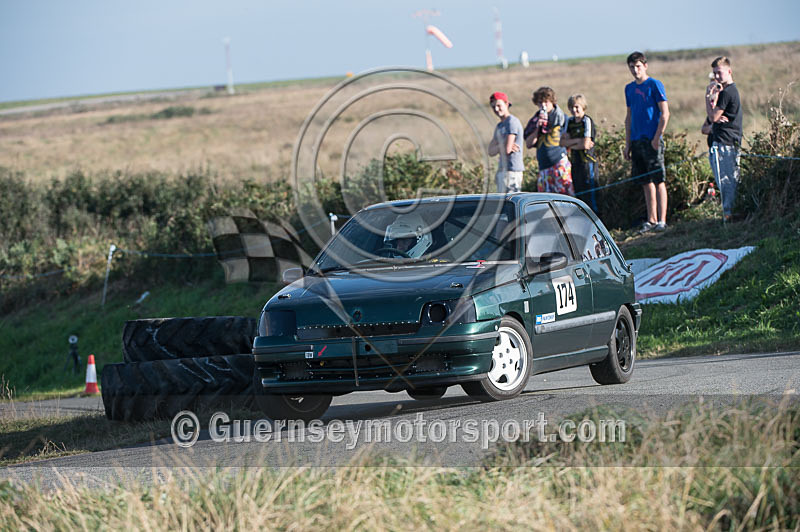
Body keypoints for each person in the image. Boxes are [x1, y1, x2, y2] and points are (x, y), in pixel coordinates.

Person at [624, 51, 670, 233]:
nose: (635, 70)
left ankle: (662, 220)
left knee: (659, 180)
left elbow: (665, 113)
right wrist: (627, 143)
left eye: (638, 66)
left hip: (652, 139)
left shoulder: (654, 85)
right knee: (645, 181)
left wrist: (657, 137)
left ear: (645, 66)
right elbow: (629, 117)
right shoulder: (629, 88)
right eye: (632, 67)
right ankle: (650, 219)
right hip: (636, 140)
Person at [705, 56, 742, 222]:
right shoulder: (724, 93)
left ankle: (730, 215)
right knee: (723, 181)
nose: (716, 77)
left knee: (728, 182)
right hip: (720, 142)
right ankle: (729, 213)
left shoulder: (728, 92)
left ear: (729, 71)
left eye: (719, 73)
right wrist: (714, 119)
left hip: (726, 143)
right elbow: (709, 123)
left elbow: (712, 117)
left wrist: (708, 98)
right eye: (714, 74)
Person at [525, 87, 574, 196]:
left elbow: (569, 139)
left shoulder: (561, 118)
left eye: (546, 102)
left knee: (565, 197)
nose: (543, 105)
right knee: (546, 200)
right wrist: (538, 128)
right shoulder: (535, 120)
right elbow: (529, 143)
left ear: (552, 101)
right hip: (543, 167)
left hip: (559, 163)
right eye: (540, 103)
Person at [561, 94, 598, 213]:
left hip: (588, 162)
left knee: (591, 194)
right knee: (579, 193)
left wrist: (571, 144)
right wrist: (578, 141)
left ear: (583, 107)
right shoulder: (569, 121)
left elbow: (586, 144)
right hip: (575, 162)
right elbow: (562, 142)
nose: (574, 110)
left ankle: (596, 219)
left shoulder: (586, 121)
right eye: (571, 107)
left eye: (577, 107)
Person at [488, 92, 525, 193]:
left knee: (510, 202)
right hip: (502, 169)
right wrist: (502, 144)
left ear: (507, 104)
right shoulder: (499, 126)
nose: (496, 109)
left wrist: (501, 146)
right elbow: (490, 151)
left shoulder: (511, 122)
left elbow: (508, 149)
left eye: (499, 105)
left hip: (512, 169)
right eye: (493, 107)